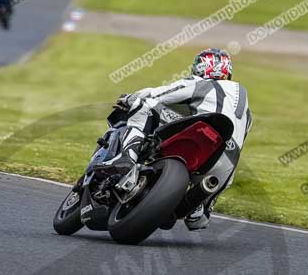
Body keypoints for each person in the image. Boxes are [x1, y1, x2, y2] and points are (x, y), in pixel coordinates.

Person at [102, 48, 252, 231]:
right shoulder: (245, 104)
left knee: (143, 106)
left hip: (201, 135)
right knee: (198, 220)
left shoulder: (200, 83)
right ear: (227, 70)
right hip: (225, 164)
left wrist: (130, 98)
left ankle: (126, 158)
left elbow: (158, 94)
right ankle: (198, 206)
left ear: (201, 68)